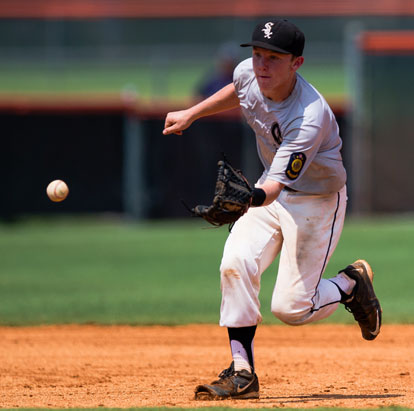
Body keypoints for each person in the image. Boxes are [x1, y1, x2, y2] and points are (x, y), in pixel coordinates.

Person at [163, 18, 382, 400]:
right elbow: (240, 89)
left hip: (315, 201)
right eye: (258, 54)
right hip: (268, 190)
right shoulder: (249, 72)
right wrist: (192, 113)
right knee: (235, 262)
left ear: (296, 63)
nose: (261, 65)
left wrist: (247, 200)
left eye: (273, 59)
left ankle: (350, 285)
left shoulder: (309, 117)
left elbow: (276, 186)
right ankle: (242, 372)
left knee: (292, 307)